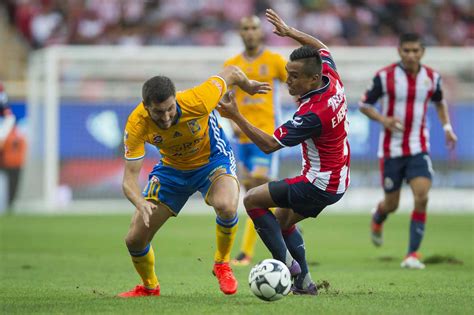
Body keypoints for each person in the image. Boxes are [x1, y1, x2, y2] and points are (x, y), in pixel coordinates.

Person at [218, 9, 350, 295]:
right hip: (336, 178)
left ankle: (288, 267)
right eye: (287, 75)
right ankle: (305, 284)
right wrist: (290, 32)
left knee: (252, 200)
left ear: (312, 80)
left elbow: (268, 144)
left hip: (319, 182)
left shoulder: (313, 113)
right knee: (280, 222)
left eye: (294, 77)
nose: (287, 82)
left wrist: (236, 115)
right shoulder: (331, 77)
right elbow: (321, 48)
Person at [119, 67, 271, 297]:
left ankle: (222, 263)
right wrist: (140, 201)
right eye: (159, 112)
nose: (167, 116)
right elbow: (129, 179)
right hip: (172, 171)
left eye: (170, 108)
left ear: (175, 100)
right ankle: (150, 287)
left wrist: (247, 85)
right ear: (146, 106)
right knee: (134, 239)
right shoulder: (136, 124)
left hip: (212, 161)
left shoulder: (198, 99)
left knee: (227, 206)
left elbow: (230, 73)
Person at [359, 33, 457, 269]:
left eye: (415, 51)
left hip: (418, 147)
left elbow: (440, 101)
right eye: (407, 51)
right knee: (391, 204)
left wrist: (446, 127)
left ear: (422, 52)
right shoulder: (385, 77)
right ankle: (378, 216)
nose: (411, 55)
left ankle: (412, 254)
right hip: (391, 150)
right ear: (399, 51)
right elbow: (364, 104)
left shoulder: (432, 78)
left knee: (422, 196)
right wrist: (384, 119)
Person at [223, 15, 288, 266]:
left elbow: (295, 83)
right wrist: (232, 124)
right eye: (245, 28)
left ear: (261, 33)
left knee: (259, 187)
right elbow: (223, 98)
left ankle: (247, 252)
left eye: (254, 28)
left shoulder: (274, 61)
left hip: (266, 136)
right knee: (251, 192)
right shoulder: (232, 64)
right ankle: (288, 223)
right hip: (242, 139)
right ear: (240, 33)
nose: (250, 32)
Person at [0, 82, 27, 211]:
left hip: (7, 149)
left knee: (13, 171)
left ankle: (10, 203)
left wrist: (2, 138)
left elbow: (8, 117)